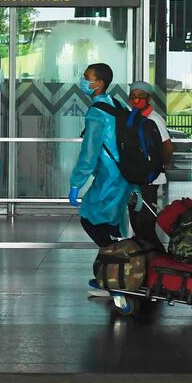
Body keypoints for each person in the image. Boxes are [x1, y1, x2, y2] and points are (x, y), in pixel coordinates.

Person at [68, 63, 132, 296]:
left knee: (91, 221)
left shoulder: (97, 112)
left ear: (99, 83)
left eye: (87, 77)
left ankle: (118, 276)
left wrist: (77, 182)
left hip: (108, 179)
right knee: (111, 226)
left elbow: (89, 152)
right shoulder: (117, 105)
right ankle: (108, 277)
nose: (83, 80)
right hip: (124, 177)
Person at [127, 81, 173, 251]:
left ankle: (159, 260)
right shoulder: (131, 117)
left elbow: (167, 146)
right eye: (133, 96)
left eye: (140, 96)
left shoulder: (154, 119)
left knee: (145, 223)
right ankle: (144, 263)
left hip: (150, 179)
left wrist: (161, 166)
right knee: (136, 221)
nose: (136, 100)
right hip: (134, 178)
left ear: (149, 99)